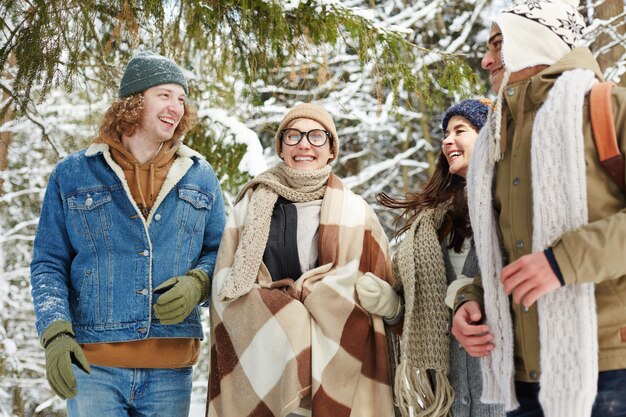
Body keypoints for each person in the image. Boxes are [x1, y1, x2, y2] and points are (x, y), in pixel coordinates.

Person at [450, 1, 626, 417]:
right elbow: (505, 249)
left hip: (609, 369)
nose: (486, 59)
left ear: (534, 43)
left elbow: (548, 260)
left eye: (498, 44)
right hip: (520, 375)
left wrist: (562, 261)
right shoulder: (496, 139)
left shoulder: (609, 108)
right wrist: (472, 303)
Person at [30, 51, 226, 416]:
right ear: (134, 101)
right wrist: (55, 331)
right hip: (94, 367)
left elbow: (222, 252)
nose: (176, 107)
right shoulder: (74, 173)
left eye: (182, 98)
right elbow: (48, 263)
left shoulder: (199, 174)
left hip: (171, 369)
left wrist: (199, 283)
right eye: (164, 95)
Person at [206, 103, 396, 417]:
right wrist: (287, 314)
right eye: (293, 136)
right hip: (266, 367)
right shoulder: (250, 205)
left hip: (341, 368)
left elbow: (375, 285)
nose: (304, 144)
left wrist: (313, 295)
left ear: (331, 149)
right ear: (281, 147)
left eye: (316, 136)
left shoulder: (357, 211)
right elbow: (226, 285)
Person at [364, 99, 504, 417]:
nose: (447, 140)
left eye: (460, 130)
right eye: (445, 134)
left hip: (506, 393)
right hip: (450, 397)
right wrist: (392, 308)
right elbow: (422, 324)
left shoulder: (513, 210)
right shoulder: (433, 226)